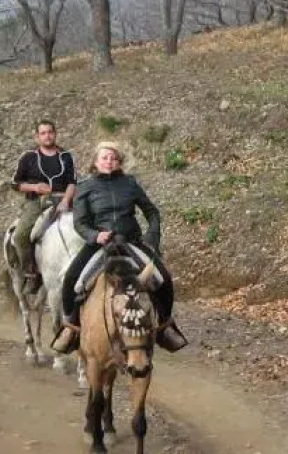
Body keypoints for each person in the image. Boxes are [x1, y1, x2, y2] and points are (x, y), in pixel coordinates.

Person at [52, 142, 187, 354]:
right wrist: (95, 236)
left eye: (114, 158)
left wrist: (152, 236)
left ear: (119, 162)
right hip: (99, 244)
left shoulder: (130, 184)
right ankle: (71, 327)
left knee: (164, 279)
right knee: (71, 279)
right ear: (95, 162)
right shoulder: (85, 187)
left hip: (131, 241)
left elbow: (152, 212)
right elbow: (80, 222)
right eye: (104, 158)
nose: (109, 162)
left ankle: (165, 327)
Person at [10, 119, 78, 293]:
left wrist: (65, 201)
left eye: (50, 132)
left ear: (55, 134)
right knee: (20, 235)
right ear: (37, 137)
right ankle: (30, 272)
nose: (47, 136)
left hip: (63, 199)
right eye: (43, 133)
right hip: (37, 201)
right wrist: (35, 187)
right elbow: (15, 183)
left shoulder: (66, 156)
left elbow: (72, 182)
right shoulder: (28, 157)